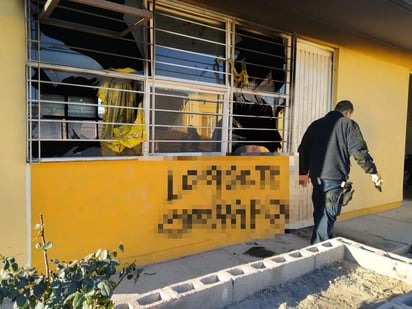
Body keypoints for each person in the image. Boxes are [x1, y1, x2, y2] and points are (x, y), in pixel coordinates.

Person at [298, 100, 383, 244]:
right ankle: (318, 248)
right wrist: (373, 172)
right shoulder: (348, 124)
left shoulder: (316, 124)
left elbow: (303, 150)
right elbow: (359, 152)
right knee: (328, 214)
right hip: (334, 178)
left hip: (316, 178)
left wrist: (302, 172)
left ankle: (323, 240)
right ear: (348, 112)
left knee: (320, 211)